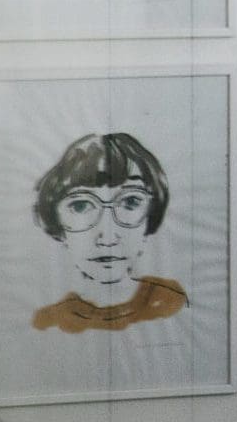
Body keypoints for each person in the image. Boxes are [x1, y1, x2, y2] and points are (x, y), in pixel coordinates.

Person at [30, 131, 188, 333]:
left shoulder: (173, 301)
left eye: (130, 202)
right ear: (56, 221)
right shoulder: (47, 322)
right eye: (80, 206)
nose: (108, 237)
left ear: (151, 214)